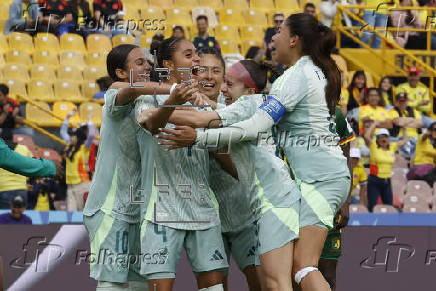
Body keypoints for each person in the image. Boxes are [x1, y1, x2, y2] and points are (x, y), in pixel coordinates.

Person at [159, 14, 352, 291]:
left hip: (315, 182)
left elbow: (251, 127)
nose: (273, 38)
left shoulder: (294, 78)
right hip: (313, 181)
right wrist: (163, 113)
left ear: (294, 39)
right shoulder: (310, 71)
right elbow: (215, 117)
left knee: (303, 268)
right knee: (297, 271)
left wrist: (196, 138)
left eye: (278, 31)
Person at [158, 59, 301, 291]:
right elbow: (215, 115)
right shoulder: (244, 104)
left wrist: (152, 111)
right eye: (202, 70)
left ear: (249, 90)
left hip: (269, 204)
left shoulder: (248, 104)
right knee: (282, 280)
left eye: (227, 81)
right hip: (255, 205)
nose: (222, 87)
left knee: (276, 283)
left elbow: (200, 120)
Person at [134, 37, 227, 291]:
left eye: (196, 54)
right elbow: (152, 124)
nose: (196, 59)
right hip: (161, 210)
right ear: (168, 64)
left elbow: (227, 128)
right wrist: (173, 100)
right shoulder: (147, 98)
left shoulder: (204, 102)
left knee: (213, 288)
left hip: (202, 209)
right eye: (188, 55)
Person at [82, 44, 175, 291]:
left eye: (148, 62)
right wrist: (179, 90)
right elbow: (134, 88)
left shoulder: (150, 100)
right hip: (109, 206)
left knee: (141, 282)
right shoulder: (115, 92)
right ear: (121, 73)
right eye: (140, 63)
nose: (148, 66)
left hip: (140, 206)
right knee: (111, 281)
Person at [364, 124, 408, 212]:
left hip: (387, 181)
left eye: (386, 137)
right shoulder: (374, 147)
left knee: (389, 206)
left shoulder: (392, 147)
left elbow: (404, 140)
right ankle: (371, 225)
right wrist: (374, 124)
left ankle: (389, 225)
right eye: (381, 137)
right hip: (374, 180)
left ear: (388, 139)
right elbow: (366, 136)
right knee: (372, 206)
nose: (384, 139)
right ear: (378, 139)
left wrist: (404, 128)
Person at [61, 111, 94, 211]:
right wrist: (67, 117)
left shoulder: (84, 148)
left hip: (82, 185)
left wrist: (90, 121)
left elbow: (91, 135)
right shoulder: (69, 145)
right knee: (71, 213)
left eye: (73, 136)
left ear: (78, 137)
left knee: (82, 213)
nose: (70, 137)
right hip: (70, 186)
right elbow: (63, 132)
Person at [0, 129, 33, 209]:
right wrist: (29, 181)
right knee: (21, 219)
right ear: (13, 138)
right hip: (21, 189)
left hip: (3, 189)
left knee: (4, 219)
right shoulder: (24, 149)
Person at [389, 92, 423, 158]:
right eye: (400, 101)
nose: (402, 103)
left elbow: (421, 123)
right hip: (400, 137)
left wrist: (405, 121)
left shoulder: (413, 110)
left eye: (404, 101)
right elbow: (399, 122)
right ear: (396, 102)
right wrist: (413, 120)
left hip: (415, 137)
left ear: (407, 101)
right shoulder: (393, 111)